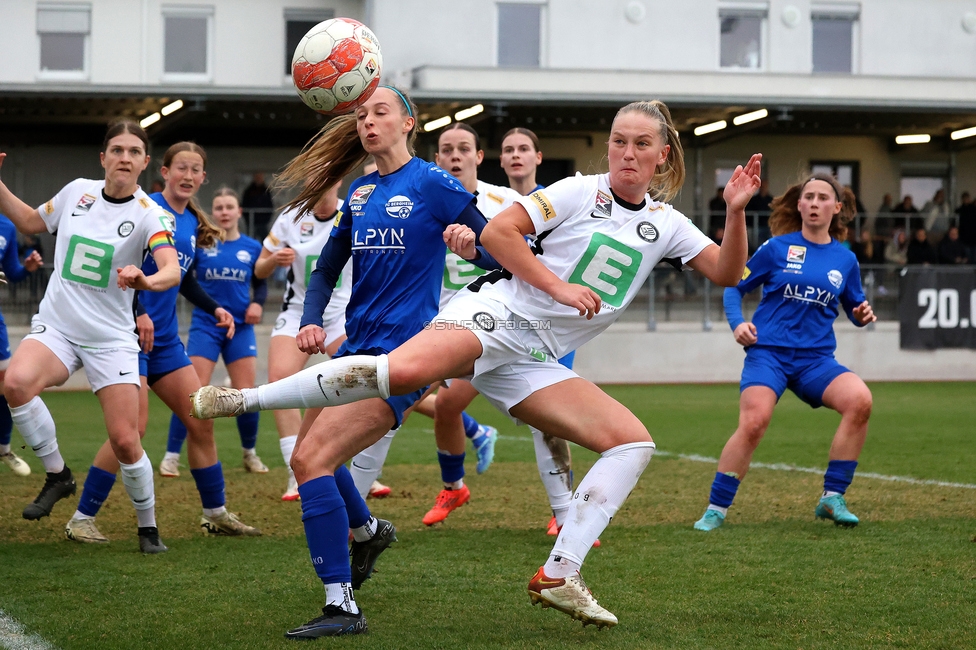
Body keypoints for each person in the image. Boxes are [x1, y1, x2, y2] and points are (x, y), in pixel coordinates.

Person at [191, 100, 760, 629]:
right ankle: (244, 399)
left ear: (664, 155)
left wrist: (735, 212)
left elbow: (728, 273)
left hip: (532, 357)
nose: (628, 154)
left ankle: (561, 573)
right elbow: (502, 232)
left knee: (632, 443)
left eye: (641, 145)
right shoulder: (576, 191)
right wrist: (558, 288)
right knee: (406, 374)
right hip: (495, 314)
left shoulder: (667, 222)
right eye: (618, 142)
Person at [206, 85, 500, 638]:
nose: (367, 121)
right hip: (353, 349)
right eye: (361, 114)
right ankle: (367, 533)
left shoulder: (435, 184)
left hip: (404, 357)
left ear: (408, 122)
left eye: (379, 112)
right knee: (309, 459)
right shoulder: (361, 193)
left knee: (313, 460)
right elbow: (324, 269)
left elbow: (498, 247)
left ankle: (342, 605)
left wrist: (471, 246)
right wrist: (313, 318)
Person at [64, 141, 261, 546]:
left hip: (167, 342)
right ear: (165, 172)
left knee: (200, 418)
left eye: (196, 170)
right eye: (181, 168)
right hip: (127, 337)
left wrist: (215, 307)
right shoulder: (142, 208)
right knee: (131, 430)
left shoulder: (188, 222)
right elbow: (117, 263)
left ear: (202, 178)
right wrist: (138, 309)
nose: (188, 176)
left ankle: (215, 513)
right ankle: (81, 518)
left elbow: (182, 275)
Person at [0, 118, 180, 553]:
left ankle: (147, 527)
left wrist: (145, 279)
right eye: (116, 150)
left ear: (144, 163)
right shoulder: (75, 192)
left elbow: (171, 269)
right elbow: (28, 220)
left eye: (133, 152)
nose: (124, 157)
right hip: (58, 327)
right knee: (15, 384)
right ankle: (59, 475)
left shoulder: (149, 214)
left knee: (124, 438)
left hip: (111, 338)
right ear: (103, 158)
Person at [693, 174, 876, 534]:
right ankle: (716, 509)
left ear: (836, 208)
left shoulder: (845, 259)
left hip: (816, 362)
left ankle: (832, 497)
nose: (813, 203)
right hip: (769, 356)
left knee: (861, 401)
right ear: (799, 204)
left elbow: (855, 306)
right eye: (808, 197)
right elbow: (734, 286)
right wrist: (737, 324)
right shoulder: (777, 248)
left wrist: (861, 315)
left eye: (823, 198)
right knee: (754, 423)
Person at [499, 126, 593, 543]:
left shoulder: (560, 201)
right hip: (493, 320)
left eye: (524, 149)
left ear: (539, 157)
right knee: (424, 396)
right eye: (508, 150)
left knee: (547, 422)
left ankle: (565, 513)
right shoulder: (489, 202)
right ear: (499, 160)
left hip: (549, 325)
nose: (516, 155)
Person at [255, 181, 352, 501]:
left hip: (343, 315)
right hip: (298, 311)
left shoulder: (354, 212)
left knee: (354, 382)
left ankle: (356, 470)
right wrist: (274, 261)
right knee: (279, 381)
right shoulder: (290, 217)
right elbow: (259, 268)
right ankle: (294, 471)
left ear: (338, 179)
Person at [164, 187, 268, 473]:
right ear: (214, 212)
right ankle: (171, 456)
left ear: (239, 212)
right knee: (192, 392)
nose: (224, 212)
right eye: (219, 207)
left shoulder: (252, 247)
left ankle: (250, 454)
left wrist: (257, 303)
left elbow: (260, 283)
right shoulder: (202, 244)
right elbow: (186, 281)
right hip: (206, 325)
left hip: (241, 327)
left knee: (246, 393)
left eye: (229, 207)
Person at [0, 215, 43, 476]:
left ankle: (3, 448)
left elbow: (11, 272)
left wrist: (25, 268)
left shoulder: (6, 225)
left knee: (6, 385)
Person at [242, 172, 275, 239]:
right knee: (251, 239)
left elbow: (270, 205)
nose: (259, 179)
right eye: (257, 177)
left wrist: (267, 219)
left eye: (260, 177)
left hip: (263, 222)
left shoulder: (266, 190)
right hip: (251, 221)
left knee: (265, 240)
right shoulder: (249, 191)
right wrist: (247, 218)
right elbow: (244, 204)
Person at [955, 191, 976, 261]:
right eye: (965, 198)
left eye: (967, 198)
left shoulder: (973, 209)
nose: (966, 200)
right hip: (964, 238)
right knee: (968, 257)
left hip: (973, 237)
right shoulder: (960, 211)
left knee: (973, 257)